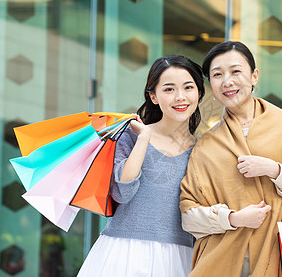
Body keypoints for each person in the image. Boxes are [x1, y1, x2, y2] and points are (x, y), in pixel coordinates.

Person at [179, 41, 282, 276]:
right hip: (222, 263)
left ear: (254, 76)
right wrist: (232, 218)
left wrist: (277, 171)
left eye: (235, 71)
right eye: (217, 74)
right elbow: (189, 217)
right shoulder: (207, 145)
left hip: (281, 257)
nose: (227, 81)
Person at [77, 55, 205, 277]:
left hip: (180, 256)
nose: (180, 97)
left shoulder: (204, 149)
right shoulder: (131, 135)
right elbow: (122, 192)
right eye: (169, 89)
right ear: (153, 96)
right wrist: (144, 137)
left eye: (188, 87)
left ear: (199, 93)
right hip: (124, 254)